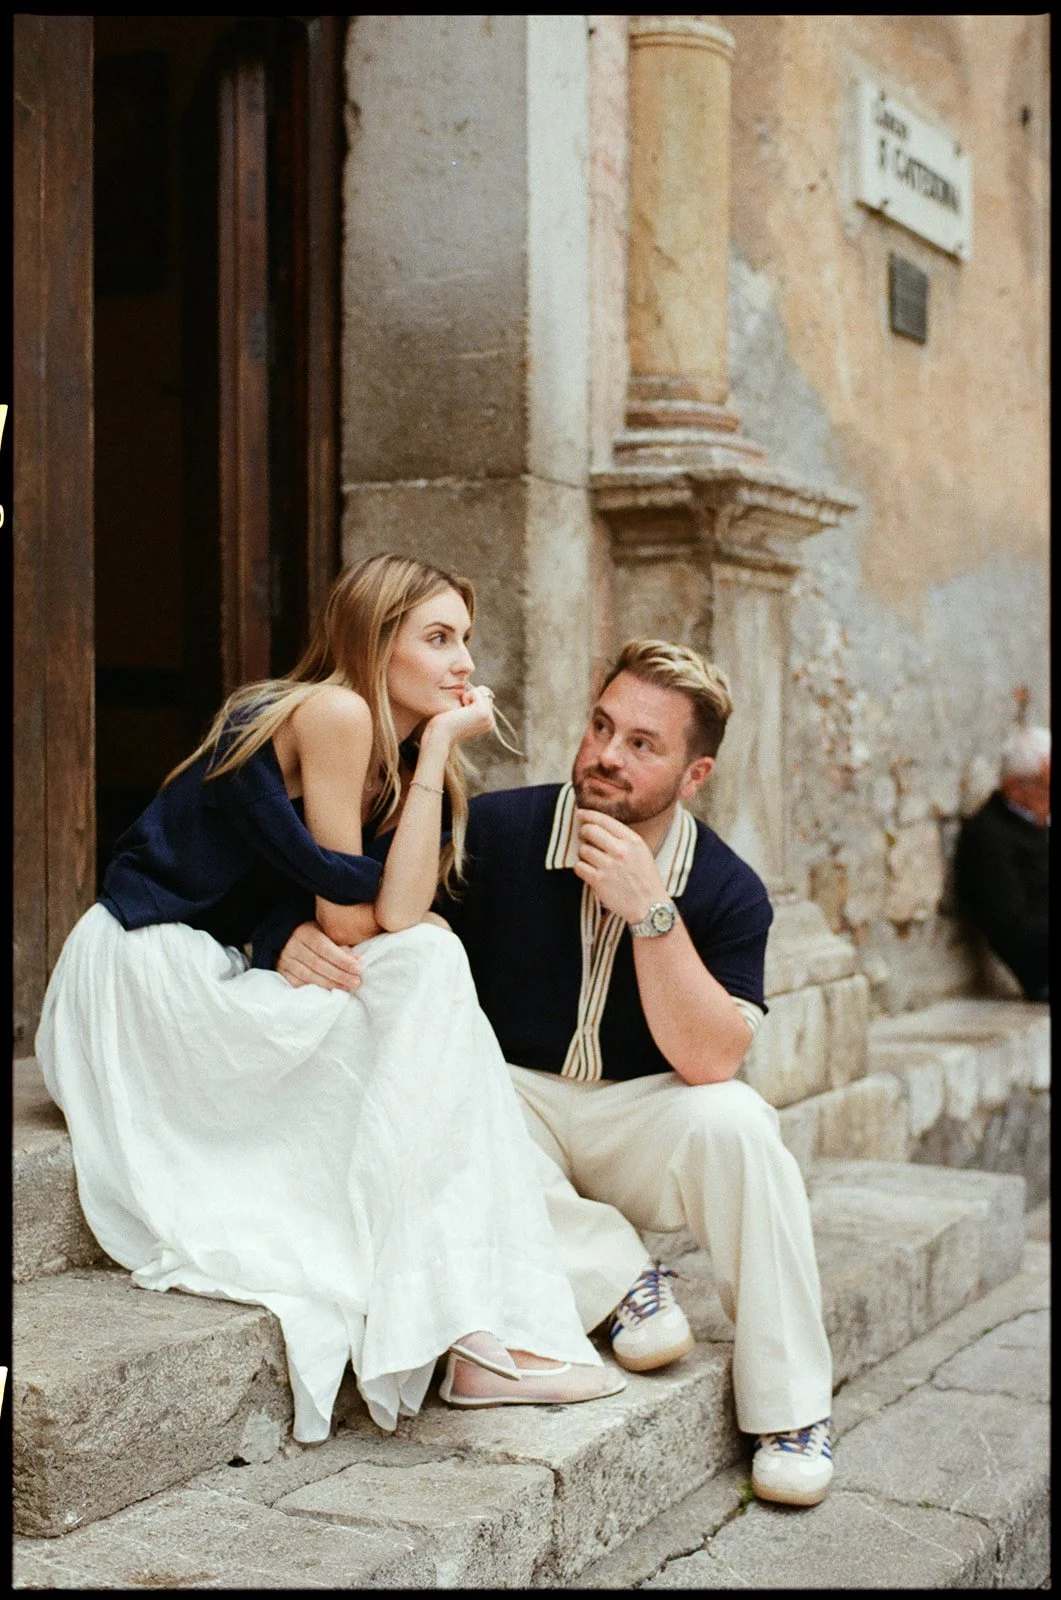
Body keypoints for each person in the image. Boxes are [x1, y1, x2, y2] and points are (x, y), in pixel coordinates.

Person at [34, 553, 626, 1449]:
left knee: (426, 966)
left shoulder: (386, 749)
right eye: (436, 639)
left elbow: (380, 908)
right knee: (423, 966)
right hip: (137, 974)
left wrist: (429, 761)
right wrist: (282, 936)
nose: (463, 662)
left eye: (465, 638)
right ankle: (470, 1331)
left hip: (211, 965)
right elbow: (361, 919)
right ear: (370, 642)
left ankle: (472, 1324)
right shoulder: (336, 711)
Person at [279, 638, 836, 1507]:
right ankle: (616, 1276)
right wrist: (291, 934)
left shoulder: (729, 890)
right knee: (421, 1081)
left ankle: (792, 1408)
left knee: (740, 1123)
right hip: (509, 1111)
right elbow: (368, 903)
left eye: (642, 744)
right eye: (601, 726)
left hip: (640, 1120)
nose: (606, 755)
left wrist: (651, 910)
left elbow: (710, 1059)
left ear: (695, 776)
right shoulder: (498, 830)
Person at [954, 725, 1050, 1003]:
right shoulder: (989, 836)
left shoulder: (1037, 823)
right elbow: (1014, 928)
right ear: (1016, 785)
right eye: (1047, 786)